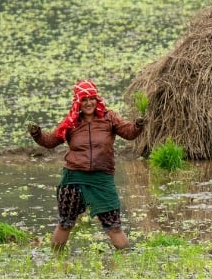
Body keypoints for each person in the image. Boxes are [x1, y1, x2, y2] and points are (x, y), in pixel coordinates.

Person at [28, 80, 144, 251]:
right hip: (74, 178)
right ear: (78, 102)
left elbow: (128, 132)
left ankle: (127, 260)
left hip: (102, 178)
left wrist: (138, 125)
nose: (88, 103)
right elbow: (52, 141)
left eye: (91, 99)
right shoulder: (71, 123)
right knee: (65, 223)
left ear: (96, 99)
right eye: (84, 100)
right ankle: (55, 260)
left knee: (114, 226)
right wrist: (37, 134)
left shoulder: (109, 117)